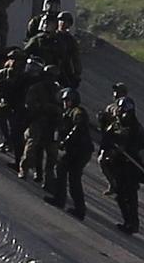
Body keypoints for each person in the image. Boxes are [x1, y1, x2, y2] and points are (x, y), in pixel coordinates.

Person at [44, 87, 93, 220]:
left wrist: (66, 140)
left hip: (80, 151)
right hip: (74, 150)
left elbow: (78, 127)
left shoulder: (78, 112)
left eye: (68, 100)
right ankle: (61, 199)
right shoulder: (67, 113)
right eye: (64, 100)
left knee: (73, 178)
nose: (65, 103)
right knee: (61, 170)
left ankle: (78, 209)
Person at [103, 98, 144, 234]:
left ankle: (133, 224)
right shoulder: (116, 124)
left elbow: (140, 145)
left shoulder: (136, 128)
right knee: (121, 196)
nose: (120, 113)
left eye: (123, 110)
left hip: (130, 165)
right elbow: (107, 138)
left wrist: (127, 149)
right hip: (118, 163)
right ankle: (128, 221)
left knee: (130, 196)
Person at [0, 50, 28, 167]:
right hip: (5, 103)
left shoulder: (24, 77)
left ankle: (19, 162)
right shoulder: (7, 72)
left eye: (17, 60)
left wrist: (2, 84)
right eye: (12, 59)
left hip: (17, 107)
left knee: (16, 135)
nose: (14, 62)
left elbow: (15, 87)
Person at [20, 64, 61, 184]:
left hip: (52, 125)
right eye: (49, 76)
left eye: (53, 77)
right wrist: (44, 107)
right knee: (31, 148)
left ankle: (48, 179)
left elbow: (63, 107)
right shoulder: (36, 88)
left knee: (52, 154)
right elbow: (29, 104)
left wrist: (56, 111)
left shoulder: (58, 90)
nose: (51, 79)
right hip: (38, 121)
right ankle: (24, 169)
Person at [99, 82, 132, 196]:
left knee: (115, 162)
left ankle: (120, 186)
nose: (116, 94)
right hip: (111, 139)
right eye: (115, 91)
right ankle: (113, 184)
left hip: (122, 140)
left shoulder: (127, 106)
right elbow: (105, 124)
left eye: (119, 91)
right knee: (102, 160)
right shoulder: (111, 107)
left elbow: (128, 124)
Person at [53, 12, 82, 89]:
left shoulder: (70, 40)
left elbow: (76, 58)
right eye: (61, 20)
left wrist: (76, 74)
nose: (63, 23)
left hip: (64, 69)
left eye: (66, 22)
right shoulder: (51, 36)